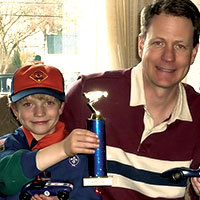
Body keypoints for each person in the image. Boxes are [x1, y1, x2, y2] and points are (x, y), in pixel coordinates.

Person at [60, 0, 200, 199]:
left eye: (180, 46)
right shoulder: (88, 93)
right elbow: (38, 154)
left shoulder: (198, 113)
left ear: (193, 53)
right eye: (158, 43)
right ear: (141, 45)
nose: (168, 57)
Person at [0, 64, 101, 200]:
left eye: (49, 103)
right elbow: (6, 179)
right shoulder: (7, 145)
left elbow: (90, 195)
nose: (40, 112)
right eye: (28, 104)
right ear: (15, 111)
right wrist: (62, 149)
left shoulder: (82, 153)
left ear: (61, 107)